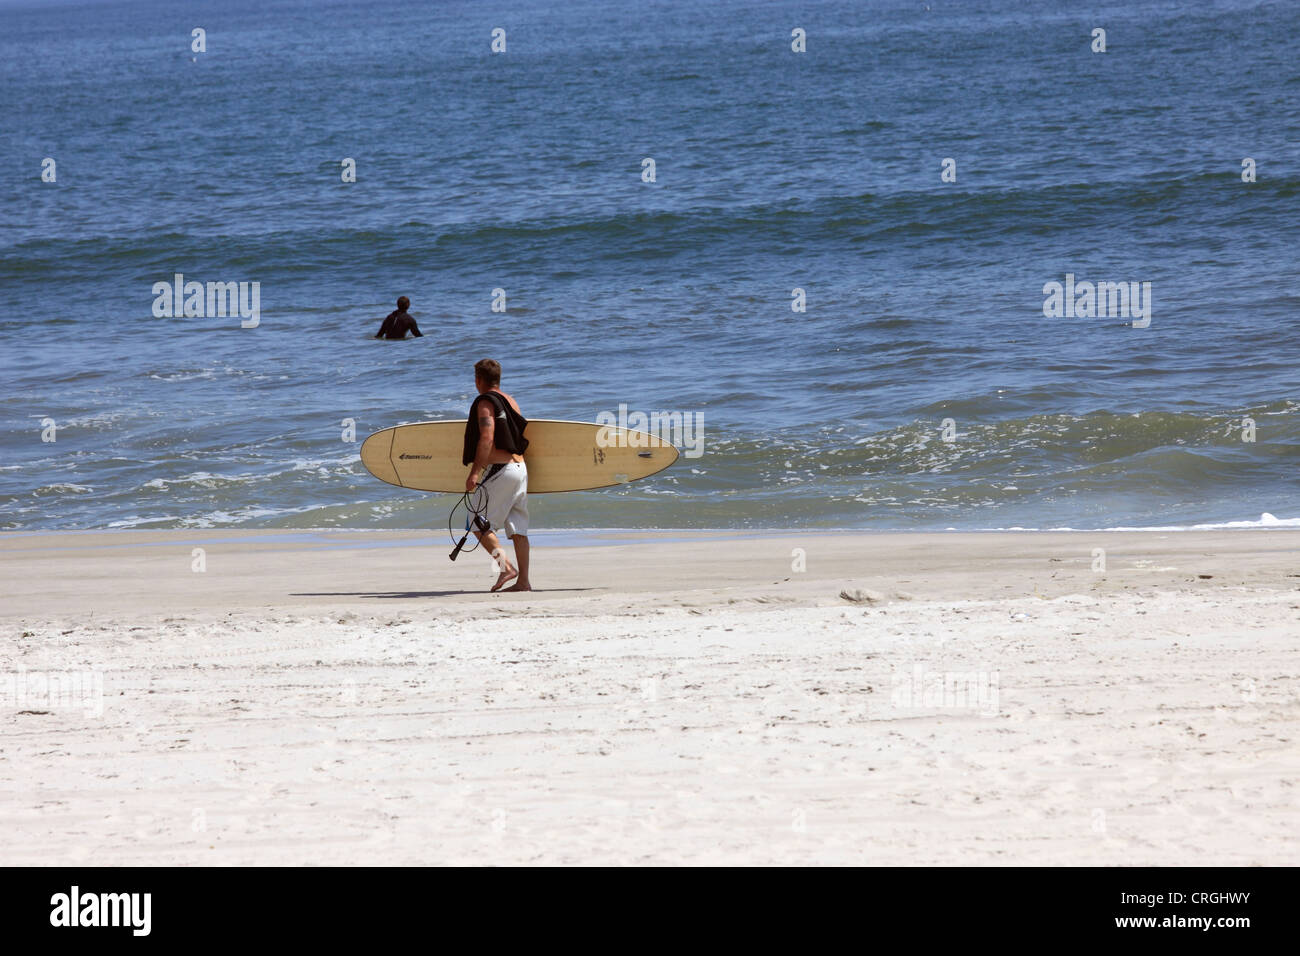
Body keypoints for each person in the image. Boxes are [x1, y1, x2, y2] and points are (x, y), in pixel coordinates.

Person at [463, 359, 531, 591]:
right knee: (518, 529)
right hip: (521, 469)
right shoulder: (511, 401)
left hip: (501, 470)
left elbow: (487, 437)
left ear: (478, 380)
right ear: (498, 379)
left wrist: (475, 472)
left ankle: (506, 568)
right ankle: (523, 582)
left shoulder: (485, 401)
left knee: (475, 520)